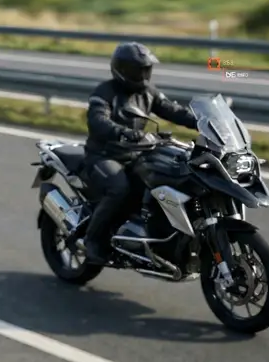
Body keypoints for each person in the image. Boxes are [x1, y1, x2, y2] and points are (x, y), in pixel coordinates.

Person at [81, 42, 198, 264]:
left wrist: (201, 121)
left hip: (137, 154)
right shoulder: (104, 92)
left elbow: (173, 110)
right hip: (104, 155)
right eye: (137, 70)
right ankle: (92, 240)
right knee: (119, 189)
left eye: (146, 70)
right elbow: (98, 120)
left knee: (167, 178)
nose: (143, 75)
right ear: (121, 70)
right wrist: (123, 132)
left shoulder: (148, 92)